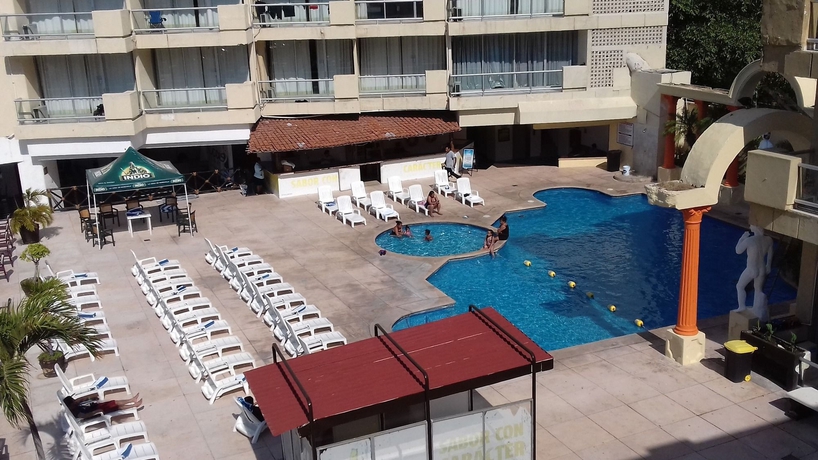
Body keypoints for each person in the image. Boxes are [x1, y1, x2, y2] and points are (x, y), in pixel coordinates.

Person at [734, 225, 774, 321]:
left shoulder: (750, 240)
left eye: (751, 226)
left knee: (740, 286)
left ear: (754, 228)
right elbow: (770, 254)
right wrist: (768, 265)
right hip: (762, 268)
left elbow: (738, 251)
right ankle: (758, 308)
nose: (750, 227)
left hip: (752, 268)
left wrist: (742, 238)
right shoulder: (768, 240)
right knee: (758, 289)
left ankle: (742, 306)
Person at [63, 394, 142, 420]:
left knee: (114, 402)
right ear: (70, 406)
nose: (75, 402)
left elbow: (81, 400)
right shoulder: (76, 413)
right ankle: (134, 404)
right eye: (73, 402)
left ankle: (131, 400)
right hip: (98, 411)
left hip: (96, 407)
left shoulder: (75, 406)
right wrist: (97, 411)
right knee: (117, 407)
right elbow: (87, 416)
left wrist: (92, 397)